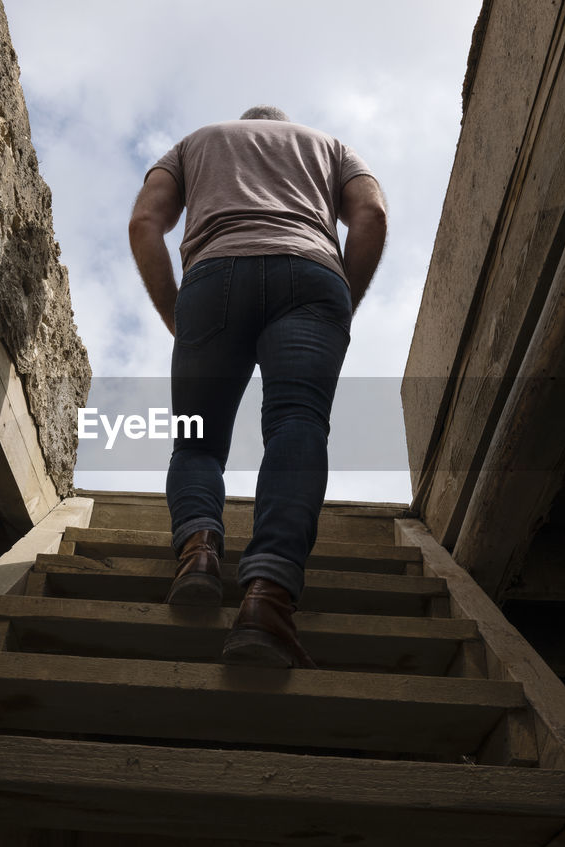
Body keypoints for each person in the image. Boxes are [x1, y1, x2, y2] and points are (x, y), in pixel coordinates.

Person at [128, 105, 386, 669]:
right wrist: (339, 299)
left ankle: (197, 551)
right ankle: (268, 599)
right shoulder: (330, 146)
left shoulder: (194, 141)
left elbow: (144, 222)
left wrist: (180, 315)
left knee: (196, 440)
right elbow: (372, 214)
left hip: (213, 278)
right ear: (283, 124)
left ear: (244, 123)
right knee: (298, 422)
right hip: (311, 274)